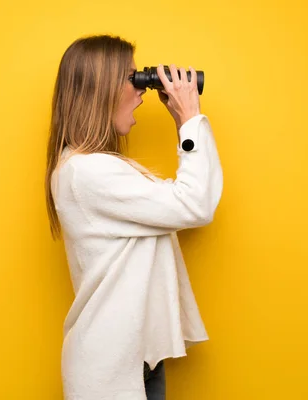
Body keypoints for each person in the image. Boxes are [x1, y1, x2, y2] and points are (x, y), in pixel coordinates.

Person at [45, 34, 223, 400]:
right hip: (110, 369)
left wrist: (183, 123)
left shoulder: (95, 169)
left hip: (133, 359)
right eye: (132, 78)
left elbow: (183, 201)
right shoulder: (87, 172)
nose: (142, 89)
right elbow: (195, 204)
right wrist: (190, 118)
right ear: (102, 90)